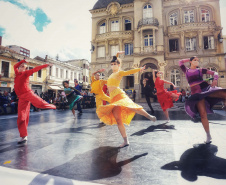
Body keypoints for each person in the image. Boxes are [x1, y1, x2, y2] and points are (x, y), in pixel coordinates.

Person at [96, 51, 157, 148]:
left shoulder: (119, 72)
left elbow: (129, 72)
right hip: (113, 98)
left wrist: (139, 69)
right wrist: (116, 54)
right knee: (118, 120)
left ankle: (149, 116)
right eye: (111, 64)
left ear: (118, 65)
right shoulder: (112, 73)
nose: (112, 66)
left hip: (118, 94)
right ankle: (126, 141)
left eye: (114, 64)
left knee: (132, 107)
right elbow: (115, 60)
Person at [179, 57, 226, 144]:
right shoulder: (186, 70)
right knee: (203, 115)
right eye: (195, 60)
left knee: (224, 93)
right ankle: (208, 135)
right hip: (196, 93)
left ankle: (224, 104)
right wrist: (189, 58)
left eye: (197, 60)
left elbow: (214, 73)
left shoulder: (201, 70)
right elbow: (180, 62)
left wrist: (215, 79)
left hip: (205, 88)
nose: (197, 61)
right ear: (191, 62)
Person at [14, 59, 56, 145]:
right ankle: (24, 136)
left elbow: (35, 69)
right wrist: (22, 61)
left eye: (23, 67)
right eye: (21, 66)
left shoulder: (26, 73)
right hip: (21, 98)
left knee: (40, 104)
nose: (21, 68)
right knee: (21, 118)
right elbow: (15, 66)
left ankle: (54, 106)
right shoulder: (17, 74)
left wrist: (46, 65)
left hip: (28, 93)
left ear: (25, 69)